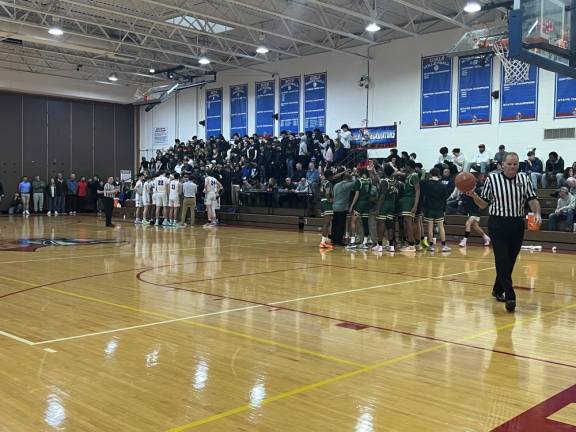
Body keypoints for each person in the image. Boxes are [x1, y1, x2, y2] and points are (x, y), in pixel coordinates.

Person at [466, 152, 541, 312]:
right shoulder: (492, 180)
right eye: (509, 164)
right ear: (502, 165)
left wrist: (537, 213)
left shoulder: (524, 179)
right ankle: (510, 296)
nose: (512, 167)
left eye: (515, 164)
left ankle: (497, 289)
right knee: (501, 259)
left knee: (510, 260)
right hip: (498, 224)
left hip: (516, 224)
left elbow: (532, 199)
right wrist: (473, 195)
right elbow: (483, 205)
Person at [421, 168, 450, 252]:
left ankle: (431, 246)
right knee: (441, 227)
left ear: (430, 174)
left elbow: (421, 182)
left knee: (430, 227)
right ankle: (444, 245)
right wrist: (444, 209)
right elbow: (445, 199)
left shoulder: (427, 183)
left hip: (429, 208)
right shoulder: (443, 185)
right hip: (439, 208)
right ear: (439, 174)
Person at [374, 164, 399, 252]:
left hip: (384, 205)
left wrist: (377, 208)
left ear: (384, 172)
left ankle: (380, 245)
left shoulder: (384, 181)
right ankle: (391, 245)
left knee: (381, 224)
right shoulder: (395, 181)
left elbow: (382, 196)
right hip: (392, 205)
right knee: (390, 225)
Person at [459, 179, 491, 248]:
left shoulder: (479, 191)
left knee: (467, 223)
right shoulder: (466, 191)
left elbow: (482, 202)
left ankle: (464, 240)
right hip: (470, 211)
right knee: (476, 227)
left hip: (476, 211)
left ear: (475, 183)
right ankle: (486, 237)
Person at [347, 168, 373, 250]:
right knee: (365, 222)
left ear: (360, 173)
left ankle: (352, 242)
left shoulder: (359, 181)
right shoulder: (370, 180)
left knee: (353, 220)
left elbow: (356, 195)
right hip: (367, 204)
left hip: (360, 204)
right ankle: (364, 243)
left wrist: (351, 205)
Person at [398, 160, 420, 252]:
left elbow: (417, 190)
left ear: (409, 167)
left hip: (409, 200)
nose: (405, 168)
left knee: (408, 222)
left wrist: (415, 205)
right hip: (407, 200)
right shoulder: (409, 176)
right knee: (409, 222)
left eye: (406, 166)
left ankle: (411, 244)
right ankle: (414, 243)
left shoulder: (414, 176)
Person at [330, 170, 354, 246]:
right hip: (342, 208)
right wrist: (353, 175)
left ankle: (333, 239)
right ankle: (338, 241)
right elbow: (355, 182)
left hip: (334, 206)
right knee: (341, 225)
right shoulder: (347, 185)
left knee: (334, 224)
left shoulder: (336, 185)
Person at [319, 171, 334, 249]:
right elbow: (327, 193)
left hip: (322, 202)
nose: (333, 177)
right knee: (326, 224)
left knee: (326, 224)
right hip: (326, 203)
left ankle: (325, 240)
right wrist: (329, 200)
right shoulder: (329, 183)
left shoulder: (323, 182)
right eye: (332, 176)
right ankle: (323, 242)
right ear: (330, 176)